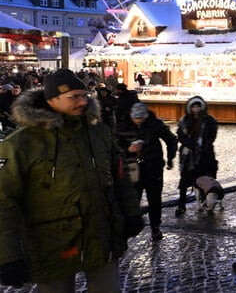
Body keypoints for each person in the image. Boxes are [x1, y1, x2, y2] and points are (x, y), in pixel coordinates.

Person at [0, 69, 142, 291]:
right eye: (74, 97)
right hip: (52, 244)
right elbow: (3, 200)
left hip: (102, 236)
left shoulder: (98, 133)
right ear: (51, 100)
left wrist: (132, 213)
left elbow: (120, 177)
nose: (83, 102)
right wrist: (7, 255)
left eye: (84, 95)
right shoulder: (20, 144)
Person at [116, 101, 177, 241]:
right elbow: (113, 147)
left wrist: (170, 158)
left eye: (141, 118)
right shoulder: (122, 127)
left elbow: (171, 140)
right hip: (132, 169)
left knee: (154, 199)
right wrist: (128, 150)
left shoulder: (155, 125)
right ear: (130, 116)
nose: (138, 121)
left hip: (153, 167)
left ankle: (155, 227)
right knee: (132, 198)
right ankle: (128, 228)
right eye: (136, 118)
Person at [175, 95, 219, 216]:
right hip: (188, 157)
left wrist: (202, 146)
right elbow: (181, 136)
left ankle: (206, 202)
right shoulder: (185, 121)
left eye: (198, 106)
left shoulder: (209, 121)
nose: (196, 108)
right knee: (184, 181)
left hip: (204, 155)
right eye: (193, 106)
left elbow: (212, 136)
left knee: (204, 179)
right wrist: (191, 145)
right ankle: (181, 205)